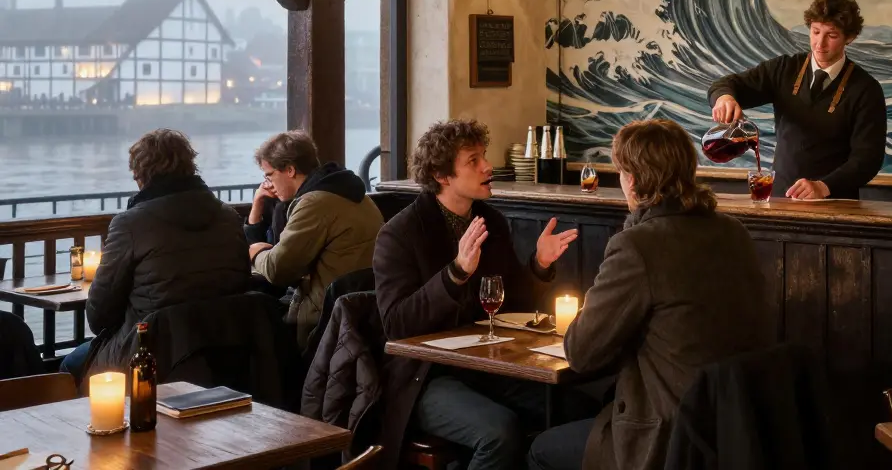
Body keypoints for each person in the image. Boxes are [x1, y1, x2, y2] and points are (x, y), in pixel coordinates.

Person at [528, 118, 771, 470]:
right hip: (733, 430)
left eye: (621, 171)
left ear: (634, 179)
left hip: (666, 437)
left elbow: (580, 352)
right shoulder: (732, 231)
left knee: (541, 450)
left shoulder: (637, 245)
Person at [374, 119, 579, 470]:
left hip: (487, 366)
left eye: (483, 156)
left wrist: (540, 264)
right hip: (427, 376)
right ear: (442, 175)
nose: (488, 166)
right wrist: (455, 273)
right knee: (499, 433)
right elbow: (397, 324)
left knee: (571, 408)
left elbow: (513, 304)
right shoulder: (400, 234)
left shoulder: (491, 221)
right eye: (473, 161)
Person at [63, 129, 249, 380]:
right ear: (190, 166)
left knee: (70, 365)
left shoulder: (130, 224)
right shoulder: (228, 216)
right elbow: (242, 281)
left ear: (140, 175)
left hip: (150, 353)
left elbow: (99, 317)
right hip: (226, 351)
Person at [708, 0, 887, 199]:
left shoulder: (866, 89)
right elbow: (726, 85)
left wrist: (823, 186)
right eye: (815, 31)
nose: (820, 44)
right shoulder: (784, 68)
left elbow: (868, 159)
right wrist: (725, 98)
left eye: (832, 35)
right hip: (779, 196)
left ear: (850, 37)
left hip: (835, 202)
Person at [248, 130, 383, 348]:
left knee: (250, 319)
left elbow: (277, 269)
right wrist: (258, 206)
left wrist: (255, 253)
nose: (267, 183)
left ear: (290, 170)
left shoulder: (315, 203)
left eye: (269, 174)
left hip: (322, 323)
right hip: (357, 314)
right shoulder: (347, 191)